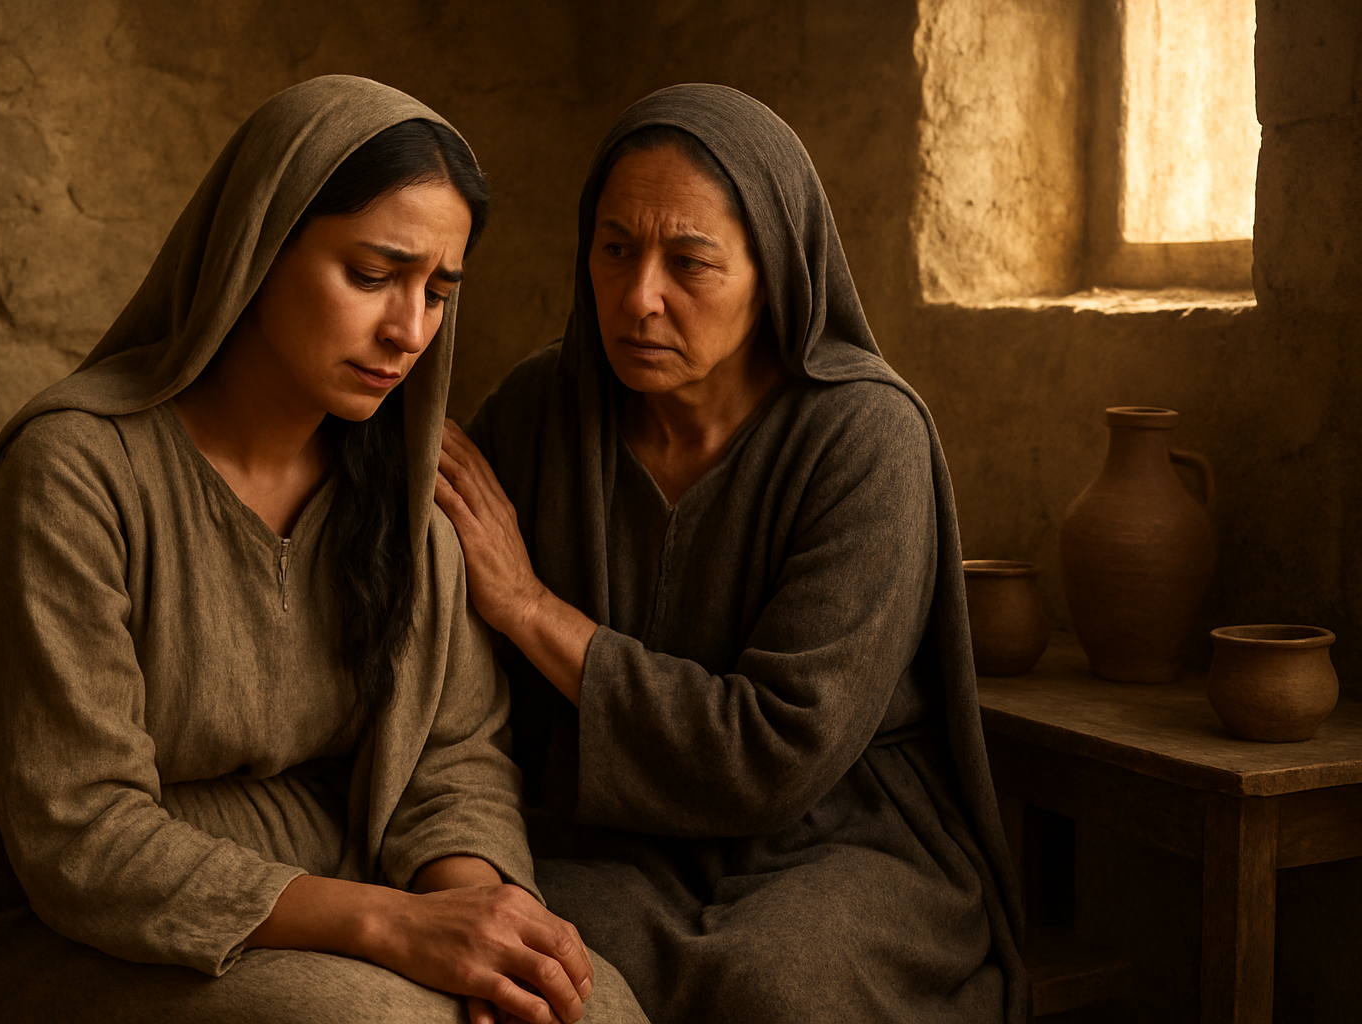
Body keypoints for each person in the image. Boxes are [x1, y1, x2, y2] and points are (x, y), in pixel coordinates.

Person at [0, 75, 647, 1024]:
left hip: (342, 877)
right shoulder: (77, 475)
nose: (409, 331)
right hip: (77, 916)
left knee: (585, 1008)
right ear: (259, 247)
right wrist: (392, 928)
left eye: (438, 292)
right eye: (371, 276)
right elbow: (83, 834)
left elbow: (454, 760)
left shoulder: (406, 498)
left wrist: (480, 919)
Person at [434, 84, 1027, 1023]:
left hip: (839, 834)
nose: (638, 298)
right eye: (615, 249)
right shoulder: (542, 410)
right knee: (542, 968)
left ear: (776, 272)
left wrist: (532, 608)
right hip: (611, 836)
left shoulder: (866, 437)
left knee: (777, 986)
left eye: (691, 263)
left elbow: (779, 749)